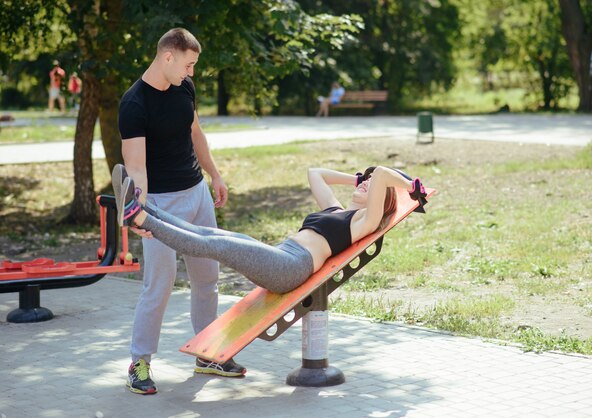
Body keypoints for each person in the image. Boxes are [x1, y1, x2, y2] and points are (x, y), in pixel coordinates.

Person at [117, 28, 243, 396]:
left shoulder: (184, 87)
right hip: (159, 203)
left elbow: (195, 133)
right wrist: (138, 209)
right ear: (167, 56)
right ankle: (139, 361)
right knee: (159, 284)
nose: (191, 73)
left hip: (196, 193)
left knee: (207, 278)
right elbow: (135, 168)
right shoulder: (134, 104)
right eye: (188, 64)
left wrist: (215, 174)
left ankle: (207, 353)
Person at [112, 164, 428, 295]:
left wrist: (409, 186)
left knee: (215, 246)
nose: (367, 181)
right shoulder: (336, 210)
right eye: (366, 179)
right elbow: (314, 172)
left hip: (291, 268)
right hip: (281, 255)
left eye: (371, 184)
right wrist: (356, 179)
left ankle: (138, 218)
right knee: (211, 234)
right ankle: (144, 207)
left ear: (379, 199)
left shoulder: (364, 221)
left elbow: (386, 174)